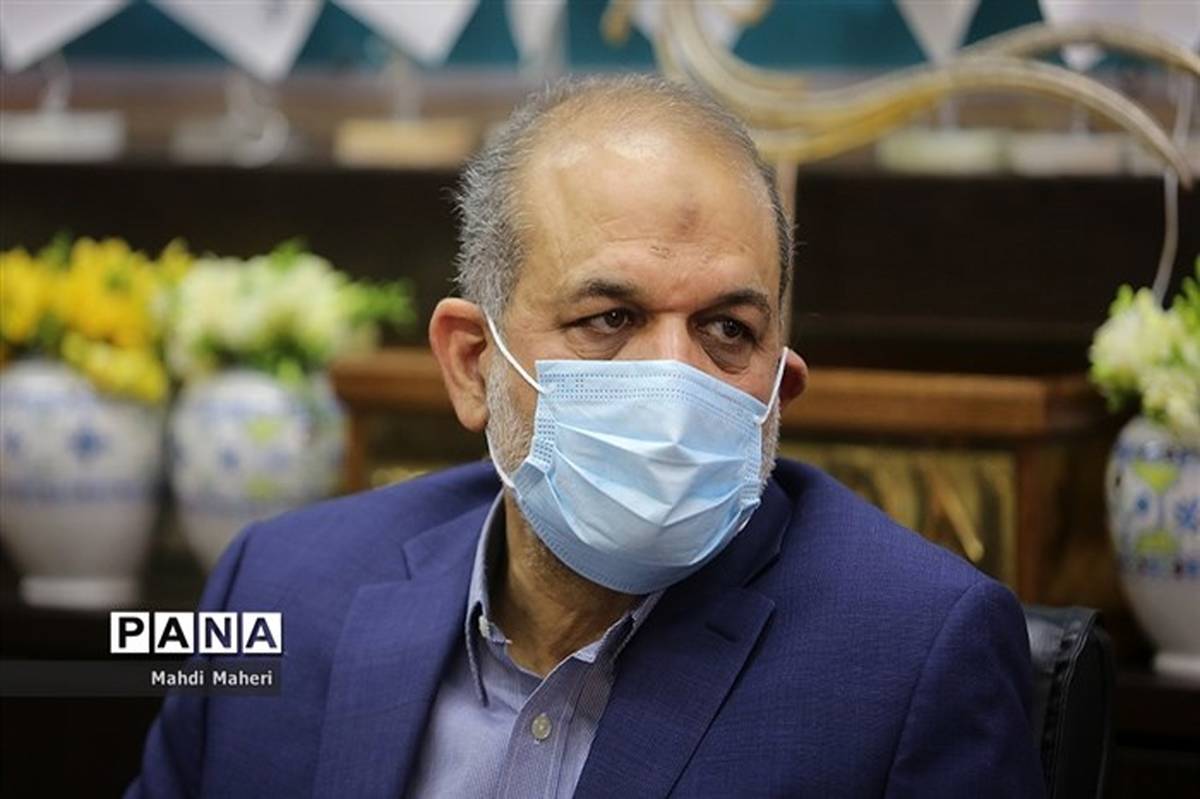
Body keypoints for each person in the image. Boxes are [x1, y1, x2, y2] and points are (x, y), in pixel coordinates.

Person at [128, 75, 1044, 798]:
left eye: (728, 329)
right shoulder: (275, 591)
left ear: (780, 392)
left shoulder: (916, 656)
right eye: (610, 317)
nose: (675, 377)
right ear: (471, 364)